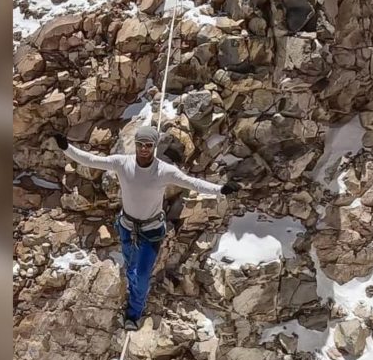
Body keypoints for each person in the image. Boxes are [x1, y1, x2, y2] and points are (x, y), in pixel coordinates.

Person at [52, 126, 240, 331]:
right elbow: (92, 160)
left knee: (141, 276)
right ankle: (134, 291)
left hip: (151, 232)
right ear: (136, 144)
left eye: (148, 145)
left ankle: (133, 313)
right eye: (140, 144)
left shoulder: (163, 171)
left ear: (154, 146)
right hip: (126, 227)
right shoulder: (122, 163)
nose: (143, 149)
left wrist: (220, 190)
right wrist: (66, 148)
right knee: (131, 267)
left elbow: (191, 183)